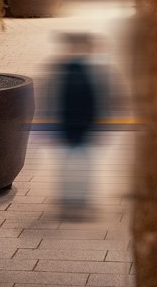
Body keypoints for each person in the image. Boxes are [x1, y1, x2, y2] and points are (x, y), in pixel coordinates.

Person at [51, 32, 104, 219]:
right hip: (78, 127)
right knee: (80, 166)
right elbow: (89, 101)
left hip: (70, 126)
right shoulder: (80, 72)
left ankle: (70, 200)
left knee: (70, 165)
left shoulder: (67, 69)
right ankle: (77, 201)